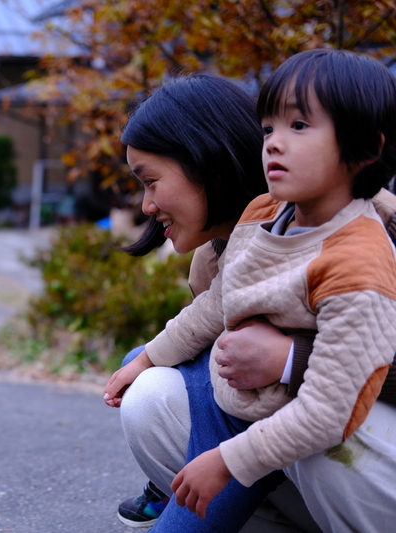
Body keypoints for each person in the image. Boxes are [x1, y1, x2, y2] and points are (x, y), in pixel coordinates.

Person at [105, 49, 396, 533]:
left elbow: (330, 395)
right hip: (279, 435)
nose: (146, 204)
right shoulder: (242, 236)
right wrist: (146, 359)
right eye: (268, 130)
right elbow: (209, 317)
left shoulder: (373, 231)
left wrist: (291, 358)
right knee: (152, 387)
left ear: (208, 162)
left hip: (355, 435)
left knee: (318, 425)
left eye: (151, 181)